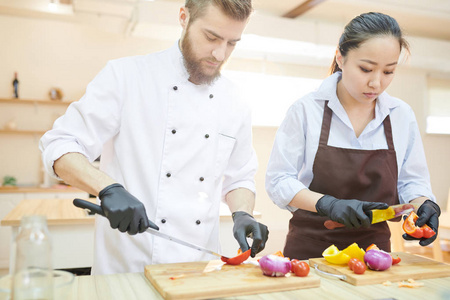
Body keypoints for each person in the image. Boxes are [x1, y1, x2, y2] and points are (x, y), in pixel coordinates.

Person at [40, 0, 268, 275]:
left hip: (197, 269)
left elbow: (239, 177)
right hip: (127, 267)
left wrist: (241, 212)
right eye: (211, 37)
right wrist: (108, 188)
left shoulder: (236, 101)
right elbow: (60, 144)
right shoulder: (126, 76)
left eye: (232, 43)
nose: (220, 54)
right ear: (183, 17)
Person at [265, 12, 440, 260]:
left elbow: (412, 182)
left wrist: (425, 205)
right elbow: (279, 180)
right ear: (340, 57)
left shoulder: (401, 116)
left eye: (388, 72)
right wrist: (328, 204)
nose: (376, 83)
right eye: (366, 69)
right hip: (310, 253)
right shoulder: (306, 110)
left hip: (375, 255)